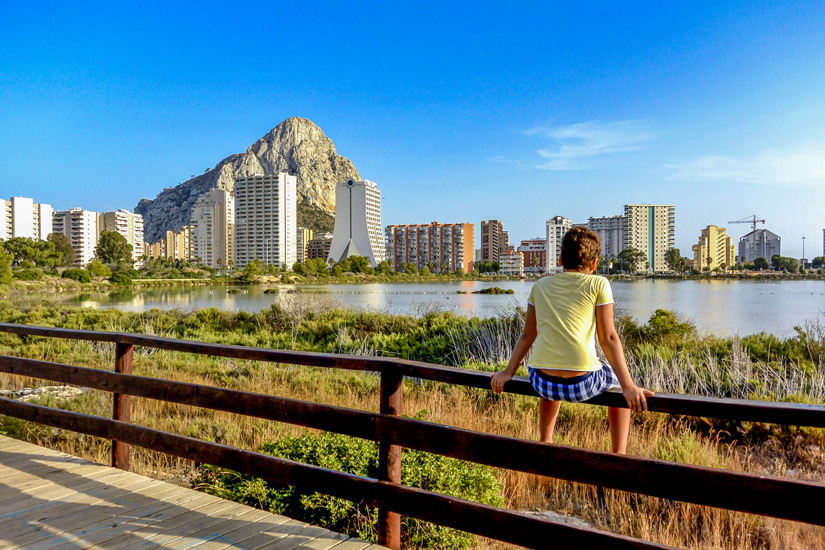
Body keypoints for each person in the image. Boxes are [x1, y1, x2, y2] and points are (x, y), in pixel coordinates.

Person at [491, 226, 652, 454]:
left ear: (560, 260)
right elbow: (608, 338)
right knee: (617, 381)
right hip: (581, 385)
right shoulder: (599, 284)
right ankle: (619, 454)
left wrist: (507, 372)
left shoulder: (540, 285)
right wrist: (629, 386)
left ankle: (545, 442)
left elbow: (528, 334)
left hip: (542, 382)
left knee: (551, 363)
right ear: (594, 264)